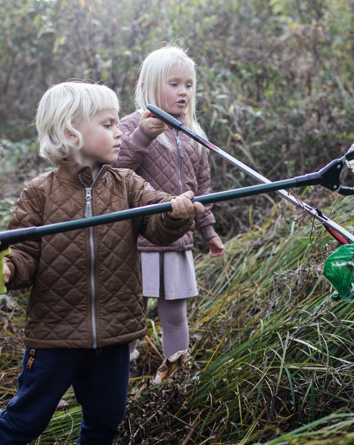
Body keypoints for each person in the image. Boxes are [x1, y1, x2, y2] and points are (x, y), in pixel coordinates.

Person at [0, 81, 205, 444]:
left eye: (118, 123)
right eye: (108, 125)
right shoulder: (40, 193)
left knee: (104, 423)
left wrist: (176, 214)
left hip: (115, 334)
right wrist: (4, 269)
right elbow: (22, 254)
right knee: (25, 421)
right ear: (71, 133)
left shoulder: (128, 185)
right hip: (54, 335)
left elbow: (157, 225)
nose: (121, 132)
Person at [113, 44, 224, 379]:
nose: (183, 92)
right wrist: (142, 136)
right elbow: (115, 170)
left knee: (175, 314)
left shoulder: (193, 135)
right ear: (150, 85)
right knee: (130, 313)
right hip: (137, 242)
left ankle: (178, 369)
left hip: (177, 242)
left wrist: (209, 231)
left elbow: (202, 191)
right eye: (174, 84)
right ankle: (120, 371)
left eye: (189, 85)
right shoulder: (132, 125)